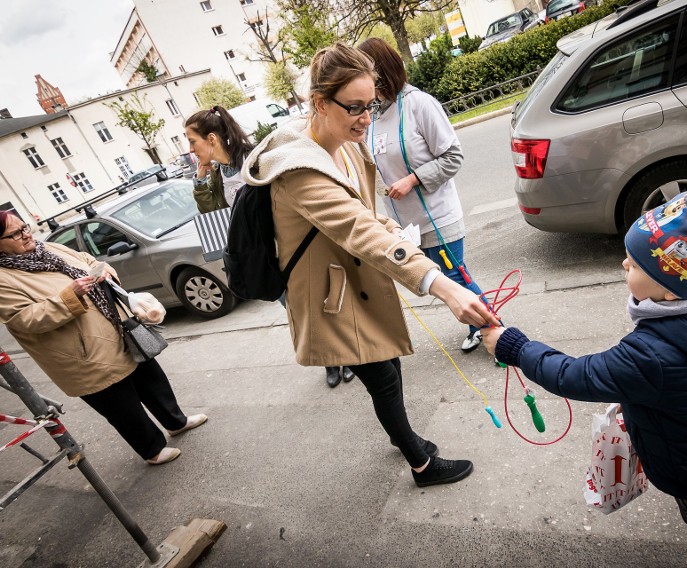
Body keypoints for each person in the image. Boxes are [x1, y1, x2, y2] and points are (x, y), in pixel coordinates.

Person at [483, 170, 687, 568]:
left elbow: (576, 375)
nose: (623, 263)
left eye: (634, 265)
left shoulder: (653, 353)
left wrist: (514, 346)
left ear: (670, 289)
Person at [241, 43, 500, 487]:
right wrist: (442, 285)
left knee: (390, 371)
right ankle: (420, 463)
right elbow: (358, 230)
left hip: (353, 282)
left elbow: (364, 213)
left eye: (372, 105)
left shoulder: (346, 145)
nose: (366, 117)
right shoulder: (299, 168)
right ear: (320, 103)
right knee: (383, 378)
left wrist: (391, 228)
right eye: (355, 107)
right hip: (330, 298)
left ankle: (405, 438)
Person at [0, 211, 207, 466]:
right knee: (122, 407)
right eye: (15, 233)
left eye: (25, 228)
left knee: (152, 380)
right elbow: (25, 320)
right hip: (82, 352)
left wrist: (104, 271)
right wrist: (70, 296)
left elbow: (87, 259)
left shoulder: (48, 248)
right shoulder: (4, 279)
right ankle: (152, 449)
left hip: (118, 329)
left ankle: (176, 422)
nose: (26, 235)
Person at [357, 37, 486, 354]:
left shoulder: (419, 104)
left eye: (363, 73)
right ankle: (483, 324)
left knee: (455, 276)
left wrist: (412, 180)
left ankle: (489, 327)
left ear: (380, 72)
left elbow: (452, 156)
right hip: (407, 225)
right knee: (440, 279)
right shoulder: (372, 116)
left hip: (439, 216)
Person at [184, 105, 254, 213]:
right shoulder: (216, 174)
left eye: (192, 142)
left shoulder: (253, 159)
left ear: (211, 139)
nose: (191, 150)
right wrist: (200, 182)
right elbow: (213, 215)